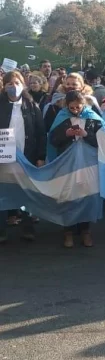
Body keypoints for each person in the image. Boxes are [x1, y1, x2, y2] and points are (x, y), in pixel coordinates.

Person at [49, 90, 105, 248]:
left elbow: (102, 140)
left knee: (87, 195)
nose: (75, 110)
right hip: (67, 164)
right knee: (68, 194)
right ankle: (68, 231)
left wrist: (87, 134)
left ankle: (85, 230)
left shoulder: (93, 118)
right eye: (72, 108)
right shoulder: (62, 117)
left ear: (84, 104)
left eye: (78, 107)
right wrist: (65, 134)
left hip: (88, 164)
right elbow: (52, 140)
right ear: (67, 105)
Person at [0, 70, 46, 243]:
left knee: (26, 193)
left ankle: (27, 227)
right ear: (4, 87)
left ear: (23, 85)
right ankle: (1, 230)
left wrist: (40, 156)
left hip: (26, 157)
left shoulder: (31, 105)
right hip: (3, 158)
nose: (14, 86)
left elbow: (41, 133)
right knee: (2, 192)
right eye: (10, 83)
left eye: (17, 82)